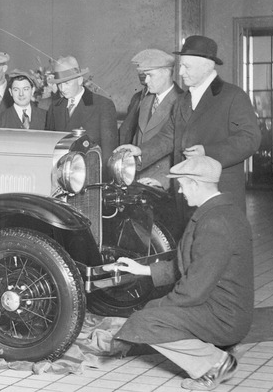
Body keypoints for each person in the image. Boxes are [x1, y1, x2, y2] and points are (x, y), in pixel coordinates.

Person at [108, 156, 252, 391]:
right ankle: (215, 351)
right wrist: (141, 269)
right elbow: (187, 265)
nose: (182, 193)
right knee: (150, 313)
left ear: (195, 184)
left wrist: (156, 311)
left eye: (183, 186)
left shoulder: (215, 223)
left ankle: (216, 363)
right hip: (226, 309)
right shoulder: (222, 211)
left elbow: (193, 291)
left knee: (145, 321)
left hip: (224, 318)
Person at [115, 36, 261, 213]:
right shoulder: (182, 101)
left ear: (207, 65)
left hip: (218, 196)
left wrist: (208, 152)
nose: (181, 72)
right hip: (185, 195)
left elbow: (250, 139)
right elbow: (168, 136)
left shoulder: (233, 96)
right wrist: (140, 152)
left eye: (187, 66)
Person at [117, 49, 183, 190]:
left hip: (162, 185)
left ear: (166, 72)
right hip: (137, 180)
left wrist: (165, 181)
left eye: (149, 75)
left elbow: (182, 152)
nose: (145, 81)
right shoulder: (144, 100)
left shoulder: (182, 102)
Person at [45, 55, 118, 166]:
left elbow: (108, 155)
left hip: (89, 177)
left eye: (67, 83)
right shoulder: (54, 108)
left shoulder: (103, 105)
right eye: (59, 84)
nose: (62, 89)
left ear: (79, 80)